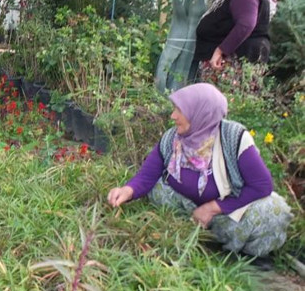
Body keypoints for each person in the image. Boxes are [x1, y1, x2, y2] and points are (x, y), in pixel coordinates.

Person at [107, 83, 292, 258]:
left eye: (179, 110)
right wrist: (126, 191)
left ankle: (248, 257)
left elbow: (262, 186)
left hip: (224, 213)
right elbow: (148, 174)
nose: (173, 116)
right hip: (184, 208)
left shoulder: (233, 138)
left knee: (274, 211)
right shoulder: (173, 138)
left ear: (200, 113)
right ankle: (195, 237)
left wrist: (212, 209)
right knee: (157, 188)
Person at [191, 0, 277, 82]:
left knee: (222, 99)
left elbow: (246, 24)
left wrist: (220, 50)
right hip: (236, 57)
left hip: (232, 61)